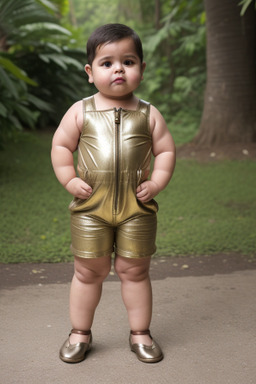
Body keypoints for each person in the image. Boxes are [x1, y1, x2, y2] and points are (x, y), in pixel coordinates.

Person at [51, 23, 176, 364]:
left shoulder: (149, 114)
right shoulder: (81, 111)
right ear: (91, 72)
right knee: (88, 271)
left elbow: (165, 151)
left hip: (138, 207)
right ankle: (80, 332)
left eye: (128, 61)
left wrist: (157, 182)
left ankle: (140, 333)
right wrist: (68, 179)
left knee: (134, 270)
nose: (118, 68)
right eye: (107, 63)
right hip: (91, 206)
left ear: (141, 69)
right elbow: (61, 145)